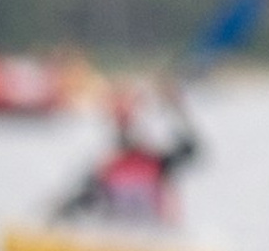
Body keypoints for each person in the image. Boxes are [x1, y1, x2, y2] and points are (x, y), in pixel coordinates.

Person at [56, 81, 198, 225]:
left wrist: (175, 108)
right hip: (122, 236)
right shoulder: (108, 168)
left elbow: (191, 149)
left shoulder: (157, 163)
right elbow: (79, 203)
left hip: (155, 235)